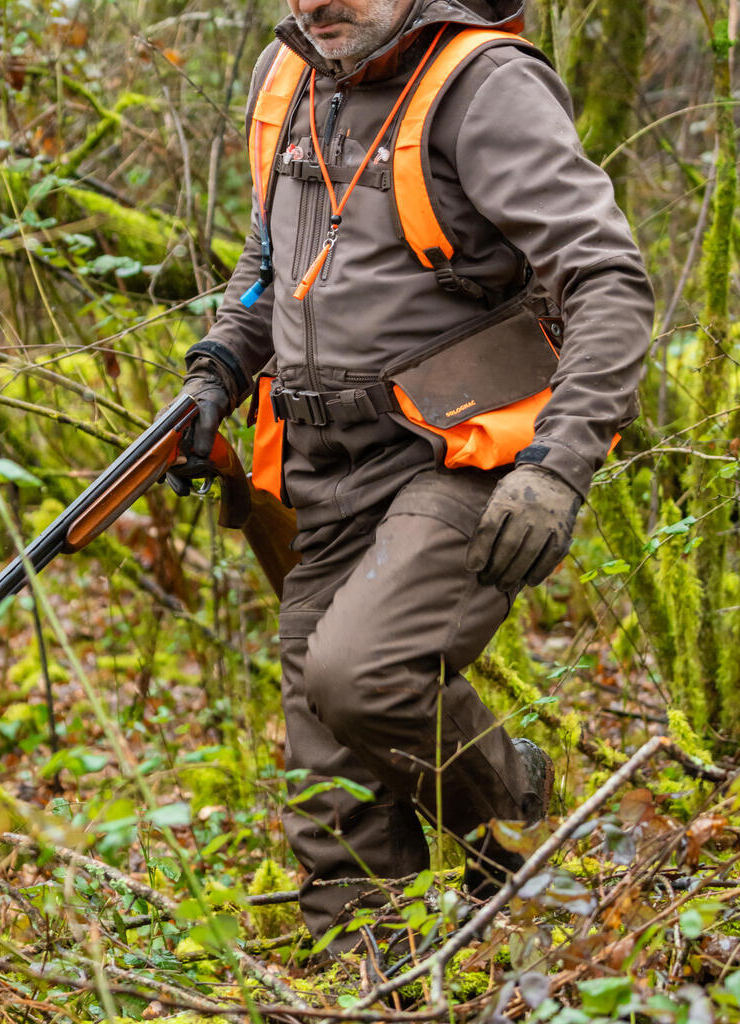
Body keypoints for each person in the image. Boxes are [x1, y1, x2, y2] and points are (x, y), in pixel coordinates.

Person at [175, 0, 654, 954]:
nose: (321, 2)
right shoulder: (291, 81)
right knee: (329, 795)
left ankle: (524, 812)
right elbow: (269, 263)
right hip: (327, 466)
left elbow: (606, 279)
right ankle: (376, 984)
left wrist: (558, 469)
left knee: (363, 677)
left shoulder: (483, 86)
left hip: (465, 453)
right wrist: (216, 371)